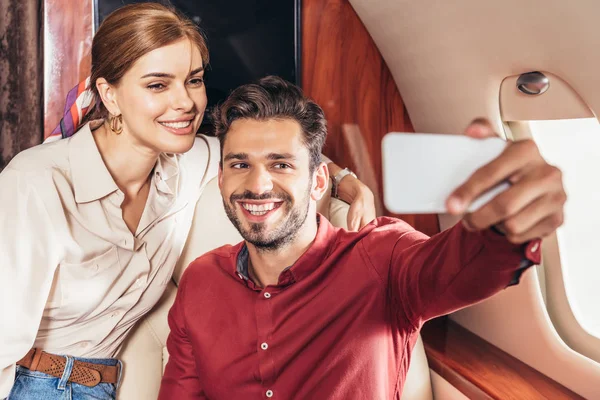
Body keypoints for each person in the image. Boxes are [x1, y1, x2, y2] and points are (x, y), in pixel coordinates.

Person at [0, 4, 376, 399]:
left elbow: (279, 153)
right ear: (109, 95)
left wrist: (347, 183)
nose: (185, 103)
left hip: (102, 387)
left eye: (193, 81)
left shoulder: (188, 161)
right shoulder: (36, 184)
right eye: (158, 85)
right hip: (30, 385)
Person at [158, 76, 566, 399]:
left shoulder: (380, 257)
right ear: (221, 178)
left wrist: (505, 226)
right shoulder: (200, 281)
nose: (257, 184)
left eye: (281, 164)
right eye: (240, 164)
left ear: (319, 181)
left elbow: (462, 268)